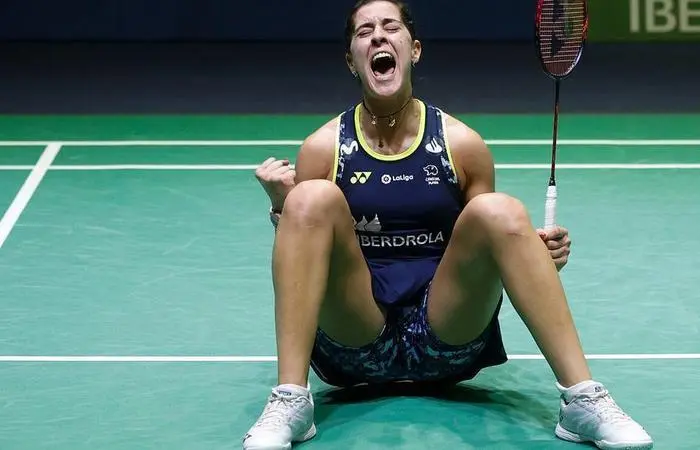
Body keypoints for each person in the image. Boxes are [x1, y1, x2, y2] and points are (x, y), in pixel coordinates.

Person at [243, 1, 654, 449]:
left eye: (391, 27)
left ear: (413, 49)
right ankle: (290, 400)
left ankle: (582, 401)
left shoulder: (461, 144)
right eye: (364, 31)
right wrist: (284, 207)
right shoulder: (323, 149)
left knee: (499, 210)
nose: (378, 36)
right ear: (351, 61)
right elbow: (307, 257)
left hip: (446, 337)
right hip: (357, 341)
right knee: (309, 196)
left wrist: (531, 252)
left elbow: (485, 248)